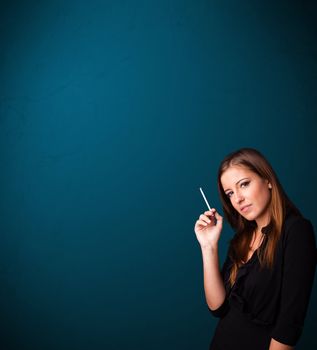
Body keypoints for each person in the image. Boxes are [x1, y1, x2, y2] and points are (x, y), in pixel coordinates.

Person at [194, 148, 316, 350]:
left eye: (244, 184)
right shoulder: (242, 239)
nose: (238, 199)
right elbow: (218, 308)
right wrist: (208, 246)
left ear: (267, 180)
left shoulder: (296, 231)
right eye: (230, 193)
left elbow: (289, 325)